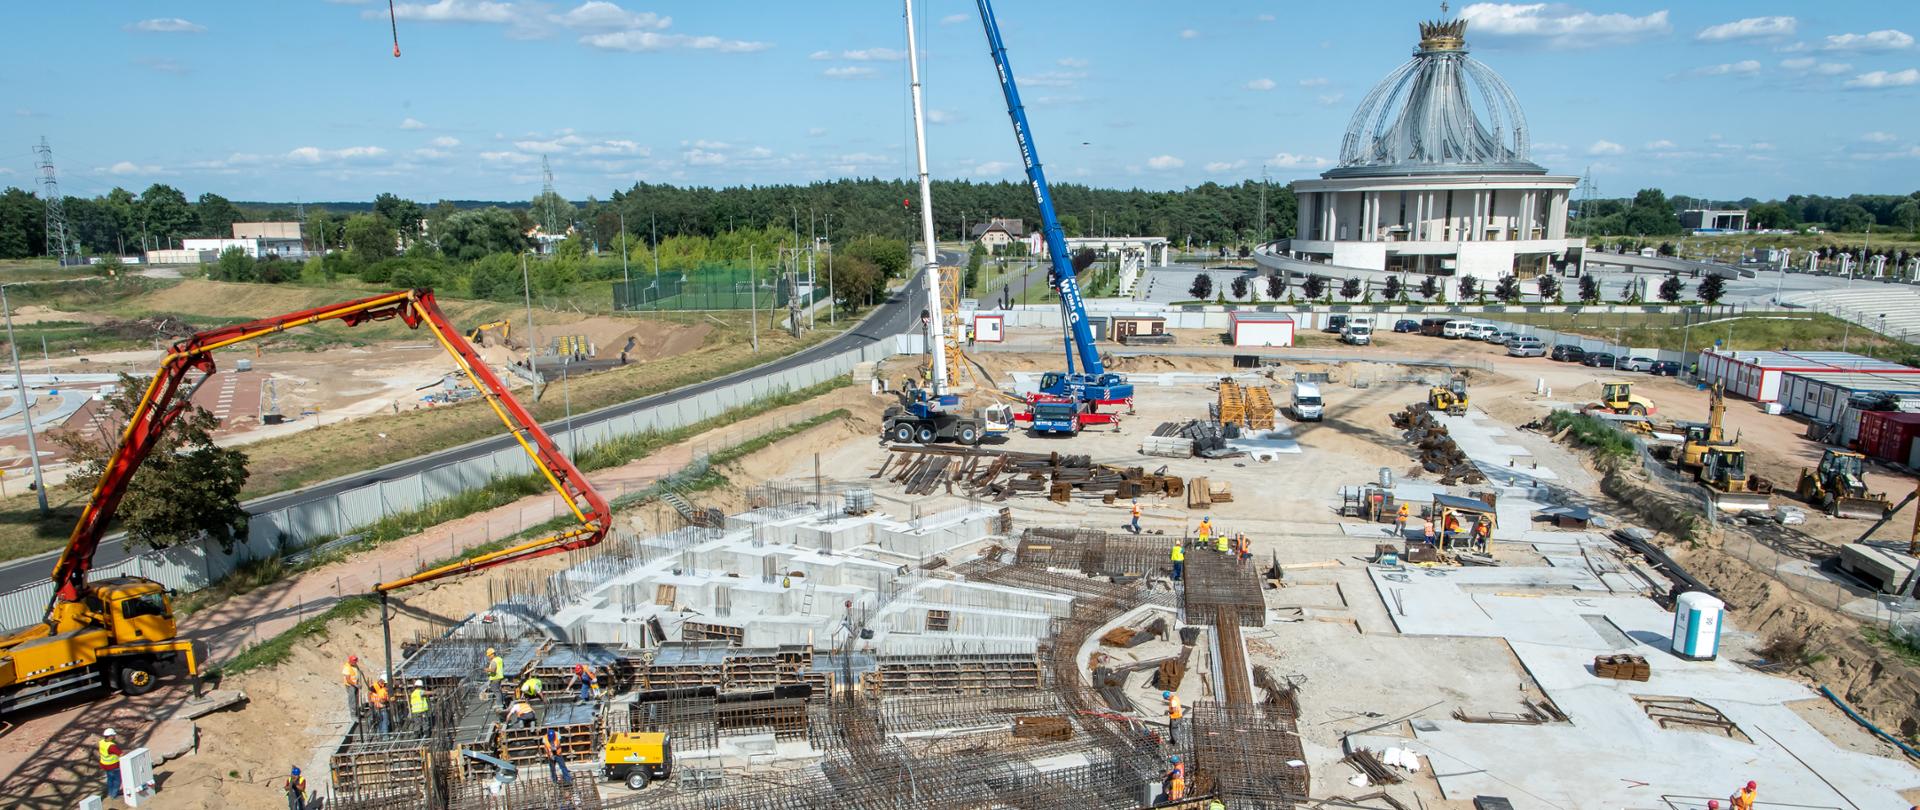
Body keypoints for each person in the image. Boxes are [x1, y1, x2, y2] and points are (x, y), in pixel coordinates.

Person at [98, 728, 123, 801]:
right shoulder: (111, 746)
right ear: (110, 736)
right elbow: (120, 754)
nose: (114, 736)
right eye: (113, 735)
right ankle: (114, 795)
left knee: (110, 779)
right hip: (113, 766)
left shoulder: (101, 742)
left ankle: (111, 793)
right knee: (117, 780)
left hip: (105, 764)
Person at [342, 654, 363, 718]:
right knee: (352, 700)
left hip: (355, 685)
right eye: (355, 662)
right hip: (350, 686)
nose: (356, 663)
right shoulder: (347, 668)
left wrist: (358, 683)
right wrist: (356, 685)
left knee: (356, 699)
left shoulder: (355, 666)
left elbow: (356, 675)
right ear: (351, 661)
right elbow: (348, 680)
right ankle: (353, 715)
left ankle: (357, 712)